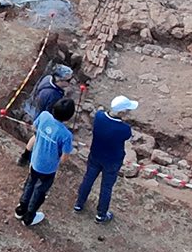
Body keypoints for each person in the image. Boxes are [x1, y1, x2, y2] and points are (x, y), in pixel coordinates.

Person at [74, 95, 136, 223]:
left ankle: (79, 204)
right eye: (127, 111)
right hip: (112, 161)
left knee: (88, 179)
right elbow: (128, 137)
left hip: (95, 155)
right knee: (106, 187)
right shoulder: (124, 129)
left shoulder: (99, 116)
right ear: (122, 112)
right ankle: (101, 214)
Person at [16, 96, 75, 227]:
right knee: (40, 191)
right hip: (48, 169)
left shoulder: (44, 116)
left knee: (30, 184)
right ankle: (29, 217)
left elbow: (34, 130)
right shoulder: (66, 135)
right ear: (69, 117)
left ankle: (21, 209)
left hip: (35, 160)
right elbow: (64, 158)